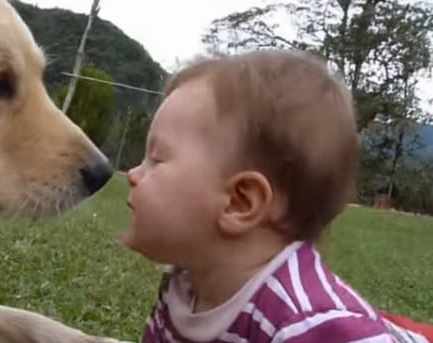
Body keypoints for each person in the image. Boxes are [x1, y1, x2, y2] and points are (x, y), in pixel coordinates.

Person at [122, 50, 431, 342]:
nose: (134, 175)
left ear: (240, 202)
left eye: (157, 159)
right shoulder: (185, 284)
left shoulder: (314, 325)